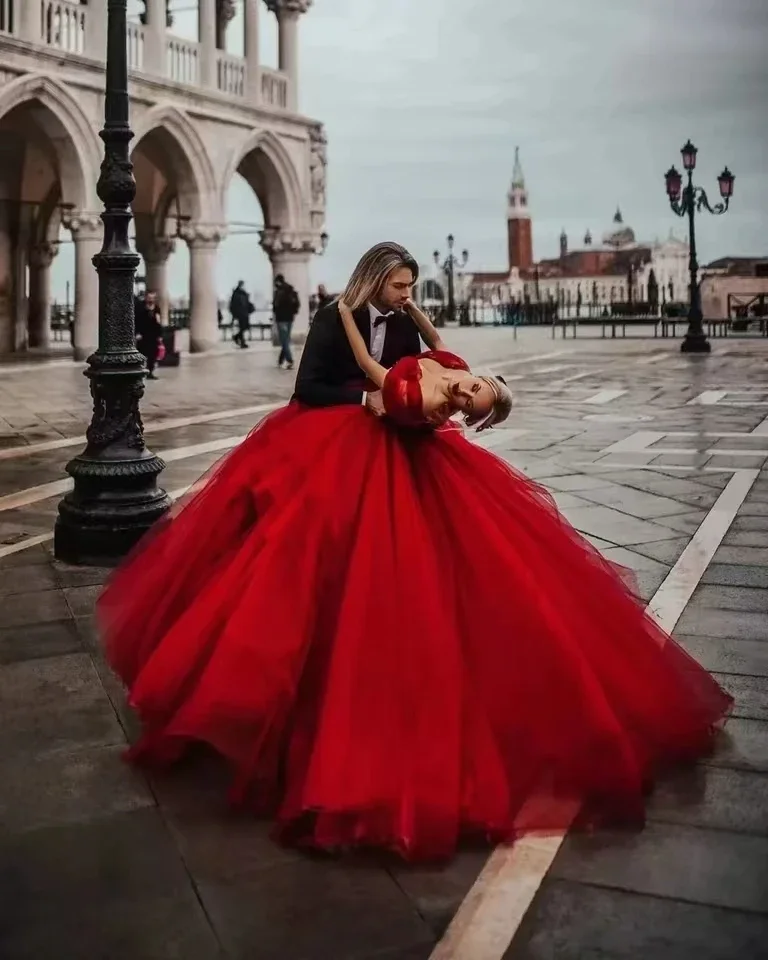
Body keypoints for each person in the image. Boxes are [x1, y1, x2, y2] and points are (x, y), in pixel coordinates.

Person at [98, 241, 731, 864]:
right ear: (374, 280)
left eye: (409, 288)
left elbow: (422, 375)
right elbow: (311, 388)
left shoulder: (402, 324)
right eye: (399, 287)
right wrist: (366, 401)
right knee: (307, 552)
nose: (407, 297)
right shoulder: (330, 317)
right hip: (330, 438)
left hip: (398, 443)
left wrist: (421, 406)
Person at [273, 274, 300, 370]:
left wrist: (276, 313)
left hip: (281, 319)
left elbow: (276, 306)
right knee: (286, 339)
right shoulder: (291, 290)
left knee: (284, 340)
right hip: (290, 318)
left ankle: (290, 360)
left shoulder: (279, 292)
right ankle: (280, 360)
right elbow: (297, 304)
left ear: (278, 281)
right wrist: (293, 312)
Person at [134, 291, 163, 380]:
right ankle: (139, 371)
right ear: (146, 298)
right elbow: (136, 321)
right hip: (143, 335)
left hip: (153, 335)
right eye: (149, 297)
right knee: (141, 353)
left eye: (152, 298)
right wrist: (137, 333)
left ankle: (150, 372)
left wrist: (160, 335)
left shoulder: (157, 308)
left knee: (153, 354)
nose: (151, 299)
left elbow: (158, 323)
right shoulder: (140, 307)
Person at [229, 281, 253, 349]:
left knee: (245, 327)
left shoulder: (244, 293)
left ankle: (236, 337)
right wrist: (234, 315)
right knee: (242, 327)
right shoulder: (236, 294)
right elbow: (233, 305)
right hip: (240, 313)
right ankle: (242, 342)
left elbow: (247, 303)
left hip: (245, 313)